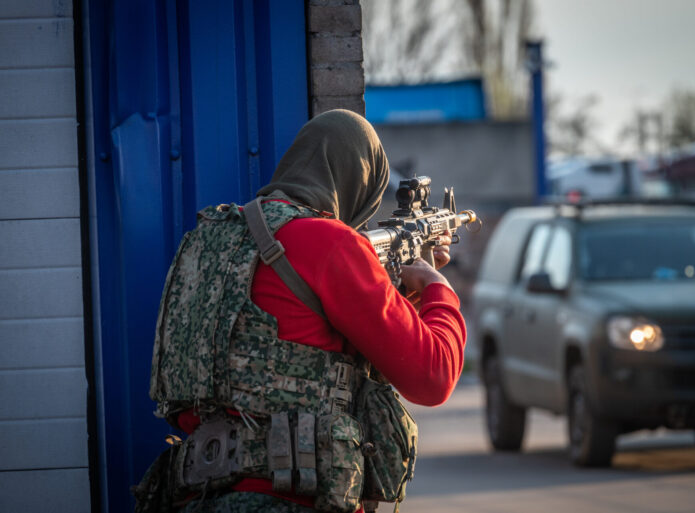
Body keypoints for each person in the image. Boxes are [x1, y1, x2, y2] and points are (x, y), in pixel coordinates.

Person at [142, 109, 466, 513]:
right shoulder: (331, 244)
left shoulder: (206, 242)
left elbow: (287, 341)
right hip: (288, 498)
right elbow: (432, 375)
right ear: (359, 184)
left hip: (191, 495)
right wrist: (438, 288)